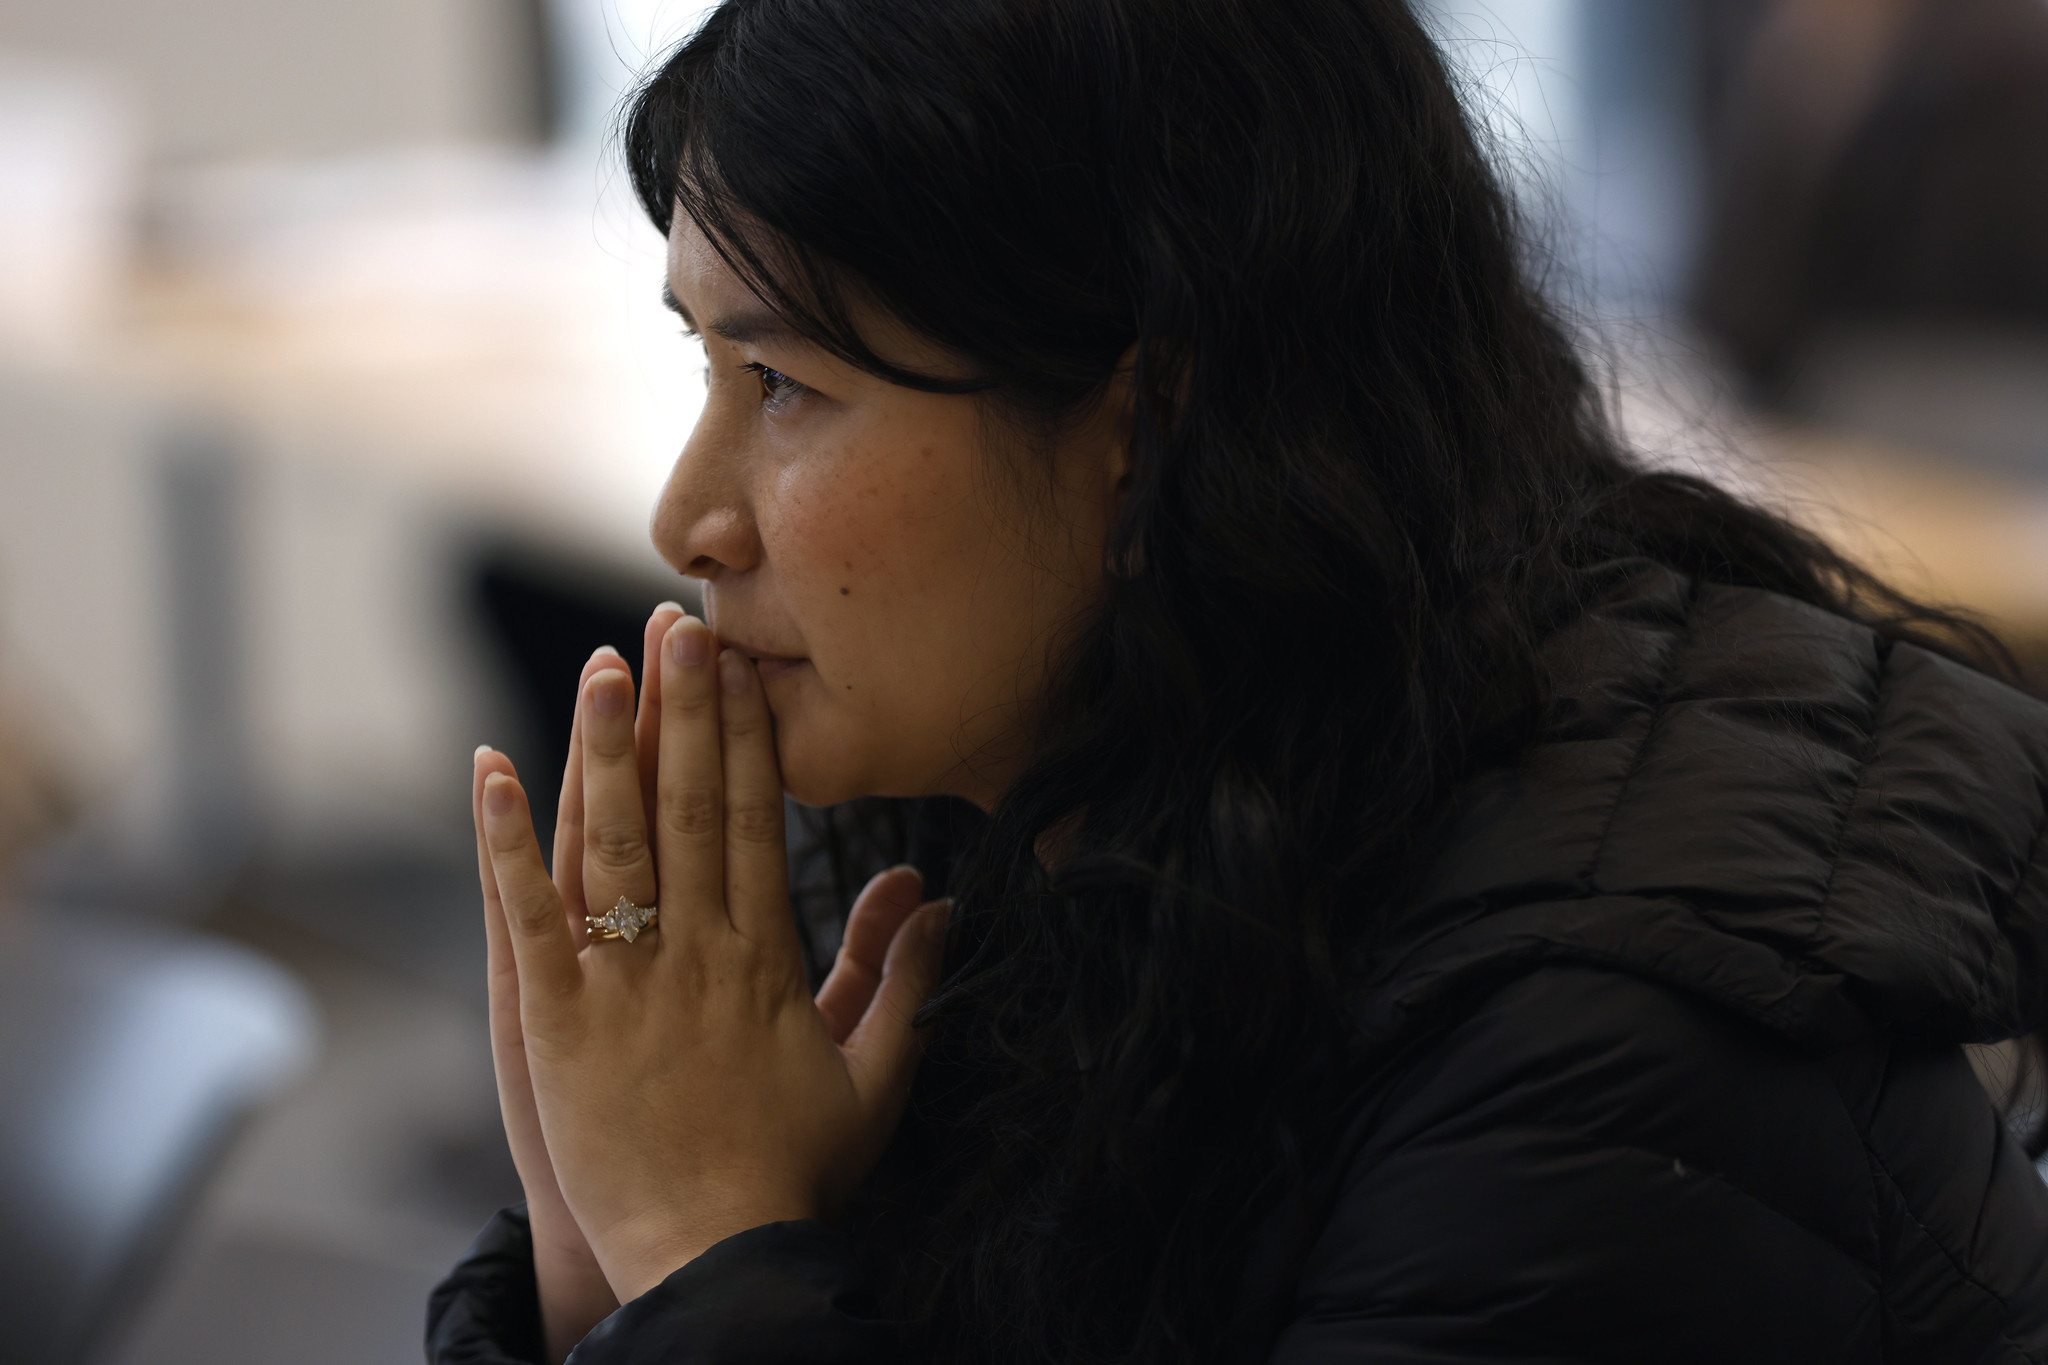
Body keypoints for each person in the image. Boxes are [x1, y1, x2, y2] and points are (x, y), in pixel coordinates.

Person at [427, 0, 2048, 1360]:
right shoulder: (1029, 804)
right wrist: (601, 1285)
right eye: (705, 367)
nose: (685, 515)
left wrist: (710, 1246)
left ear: (1144, 434)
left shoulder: (1600, 1040)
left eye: (783, 382)